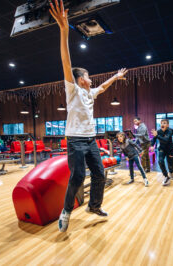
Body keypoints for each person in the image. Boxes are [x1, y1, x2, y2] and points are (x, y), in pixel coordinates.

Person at [49, 0, 128, 232]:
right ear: (80, 79)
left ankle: (94, 206)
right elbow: (66, 61)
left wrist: (115, 76)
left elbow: (102, 88)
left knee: (100, 173)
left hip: (91, 139)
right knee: (77, 177)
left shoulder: (89, 92)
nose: (91, 78)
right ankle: (66, 211)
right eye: (88, 75)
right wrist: (64, 30)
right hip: (75, 140)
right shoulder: (72, 90)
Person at [151, 119, 173, 186]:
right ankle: (166, 176)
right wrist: (152, 145)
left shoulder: (169, 131)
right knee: (160, 161)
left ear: (167, 125)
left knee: (170, 162)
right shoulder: (158, 131)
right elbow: (154, 139)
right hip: (162, 149)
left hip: (170, 149)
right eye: (161, 123)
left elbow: (166, 140)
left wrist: (157, 136)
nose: (162, 124)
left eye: (164, 123)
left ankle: (171, 172)